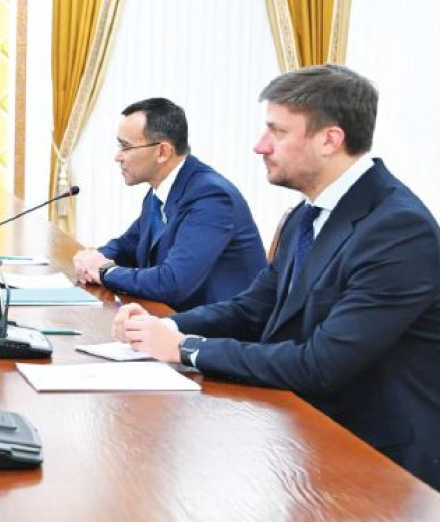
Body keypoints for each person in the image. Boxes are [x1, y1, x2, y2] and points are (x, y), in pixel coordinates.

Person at [115, 65, 440, 490]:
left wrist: (186, 348)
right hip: (303, 436)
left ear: (330, 140)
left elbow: (320, 364)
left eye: (277, 132)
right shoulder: (309, 212)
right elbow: (253, 309)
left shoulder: (398, 230)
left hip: (378, 465)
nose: (260, 146)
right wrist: (164, 327)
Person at [73, 98, 266, 310]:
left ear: (163, 152)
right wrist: (95, 258)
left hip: (222, 326)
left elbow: (173, 283)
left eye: (126, 147)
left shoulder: (211, 197)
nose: (118, 156)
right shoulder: (161, 190)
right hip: (176, 316)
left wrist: (104, 271)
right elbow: (128, 246)